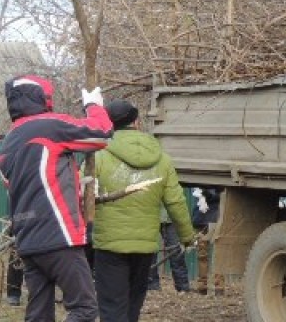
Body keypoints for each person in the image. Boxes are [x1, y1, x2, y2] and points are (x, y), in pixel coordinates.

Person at [0, 75, 112, 322]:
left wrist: (71, 181)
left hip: (27, 238)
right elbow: (101, 134)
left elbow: (22, 182)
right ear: (43, 99)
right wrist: (94, 105)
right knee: (84, 309)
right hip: (57, 234)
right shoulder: (48, 125)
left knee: (38, 315)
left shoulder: (8, 142)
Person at [92, 98, 194, 322]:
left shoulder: (98, 156)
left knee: (111, 307)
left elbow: (81, 195)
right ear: (137, 122)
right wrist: (187, 237)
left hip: (109, 245)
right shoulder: (162, 160)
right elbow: (176, 202)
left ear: (108, 124)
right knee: (133, 306)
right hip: (144, 246)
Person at [147, 206, 191, 294]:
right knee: (149, 250)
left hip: (171, 215)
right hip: (149, 215)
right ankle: (152, 286)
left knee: (176, 252)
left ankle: (183, 287)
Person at [190, 186, 221, 295]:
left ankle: (218, 286)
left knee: (218, 252)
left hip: (214, 217)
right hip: (202, 218)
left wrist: (205, 194)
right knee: (202, 253)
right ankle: (203, 285)